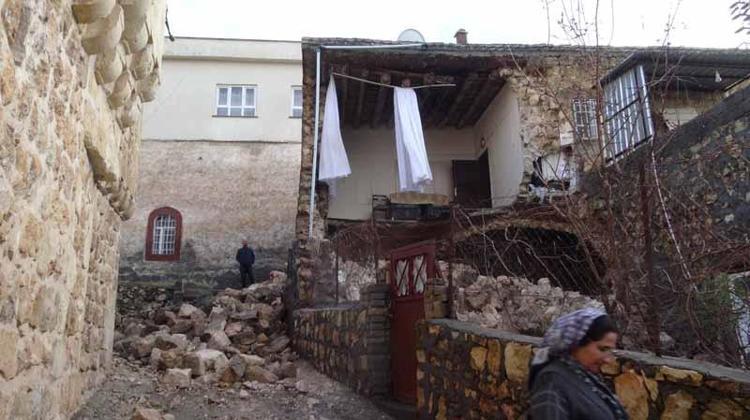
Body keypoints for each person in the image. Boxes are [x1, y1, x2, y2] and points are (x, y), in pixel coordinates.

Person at [528, 308, 628, 420]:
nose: (607, 360)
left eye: (610, 351)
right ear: (577, 343)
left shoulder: (587, 378)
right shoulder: (551, 382)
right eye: (602, 349)